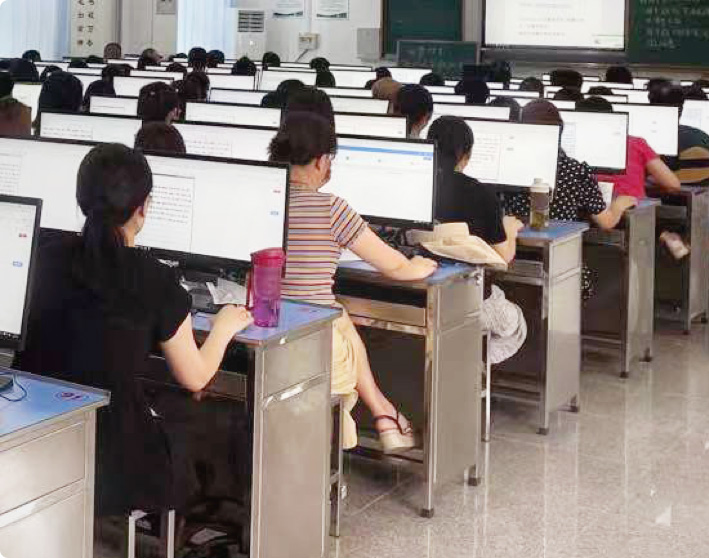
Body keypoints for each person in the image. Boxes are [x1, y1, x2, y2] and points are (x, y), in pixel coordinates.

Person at [13, 143, 253, 518]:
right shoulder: (155, 279)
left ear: (81, 200)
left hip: (35, 436)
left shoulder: (42, 256)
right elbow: (195, 377)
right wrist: (223, 327)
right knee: (209, 423)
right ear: (143, 208)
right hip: (114, 462)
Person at [269, 111, 438, 453]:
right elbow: (396, 268)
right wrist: (420, 264)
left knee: (340, 314)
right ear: (321, 161)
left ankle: (384, 414)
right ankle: (385, 416)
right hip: (312, 340)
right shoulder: (332, 209)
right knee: (337, 318)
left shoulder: (264, 200)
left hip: (272, 329)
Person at [504, 100, 637, 298]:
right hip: (561, 266)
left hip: (511, 263)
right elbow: (606, 222)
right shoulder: (575, 170)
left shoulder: (509, 167)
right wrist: (619, 204)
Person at [578, 97, 688, 258]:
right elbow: (673, 185)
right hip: (630, 214)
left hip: (584, 215)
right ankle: (665, 236)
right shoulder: (636, 143)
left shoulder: (572, 145)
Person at [649, 82, 709, 254]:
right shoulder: (698, 137)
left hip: (652, 205)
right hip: (690, 206)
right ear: (682, 109)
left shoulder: (640, 136)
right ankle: (690, 254)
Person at [427, 116, 523, 264]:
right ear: (468, 154)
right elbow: (503, 257)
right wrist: (510, 230)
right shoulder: (482, 194)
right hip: (468, 275)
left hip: (424, 263)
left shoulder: (417, 185)